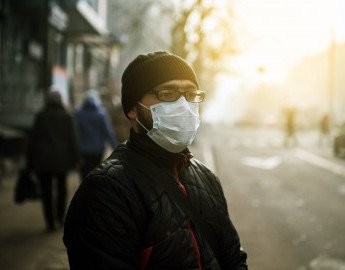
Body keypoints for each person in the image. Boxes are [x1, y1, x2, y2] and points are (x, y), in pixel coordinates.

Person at [63, 51, 248, 269]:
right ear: (133, 109)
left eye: (190, 94)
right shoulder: (106, 190)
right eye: (167, 94)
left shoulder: (207, 179)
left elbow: (233, 258)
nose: (183, 105)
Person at [27, 90, 79, 232]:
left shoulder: (41, 116)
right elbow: (72, 139)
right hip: (62, 158)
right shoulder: (66, 116)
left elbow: (33, 140)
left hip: (43, 159)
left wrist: (29, 161)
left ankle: (49, 221)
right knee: (62, 188)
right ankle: (60, 218)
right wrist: (76, 158)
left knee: (46, 191)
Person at [74, 89, 118, 180]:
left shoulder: (78, 113)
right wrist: (115, 146)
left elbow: (75, 132)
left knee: (84, 172)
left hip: (83, 150)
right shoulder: (101, 113)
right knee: (95, 172)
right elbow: (107, 131)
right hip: (98, 150)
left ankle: (83, 191)